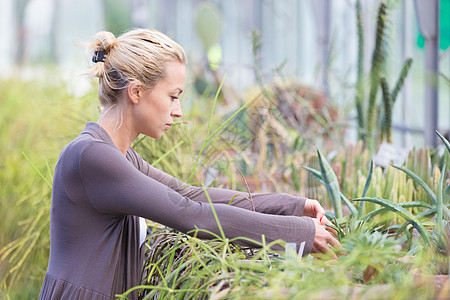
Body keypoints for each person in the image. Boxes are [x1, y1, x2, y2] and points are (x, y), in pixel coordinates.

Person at [39, 28, 340, 300]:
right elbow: (192, 215)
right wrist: (298, 233)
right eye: (173, 96)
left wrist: (290, 205)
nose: (179, 111)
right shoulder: (92, 157)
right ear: (136, 92)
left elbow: (193, 195)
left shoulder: (118, 156)